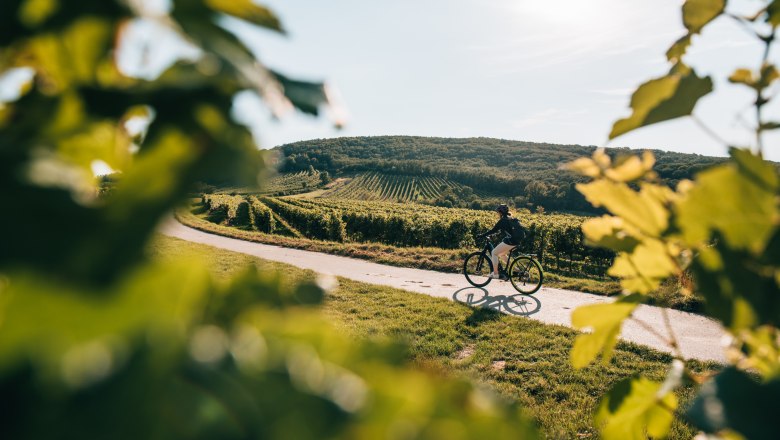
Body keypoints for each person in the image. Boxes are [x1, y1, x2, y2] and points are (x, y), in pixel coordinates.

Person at [477, 204, 526, 279]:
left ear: (500, 212)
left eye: (498, 212)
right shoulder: (510, 218)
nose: (498, 214)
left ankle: (495, 273)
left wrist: (481, 235)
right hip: (517, 240)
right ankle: (517, 270)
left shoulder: (502, 220)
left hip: (510, 241)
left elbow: (493, 230)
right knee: (502, 255)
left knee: (494, 252)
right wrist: (495, 235)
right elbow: (503, 231)